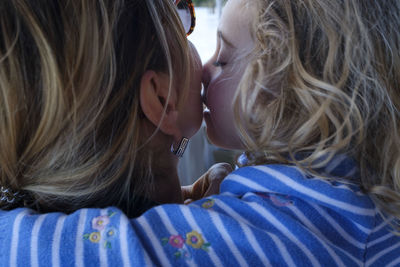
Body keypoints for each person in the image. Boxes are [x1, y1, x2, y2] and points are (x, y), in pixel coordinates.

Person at [1, 0, 400, 266]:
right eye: (181, 21)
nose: (208, 68)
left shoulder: (312, 214)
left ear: (295, 91)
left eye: (224, 58)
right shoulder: (311, 199)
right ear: (159, 99)